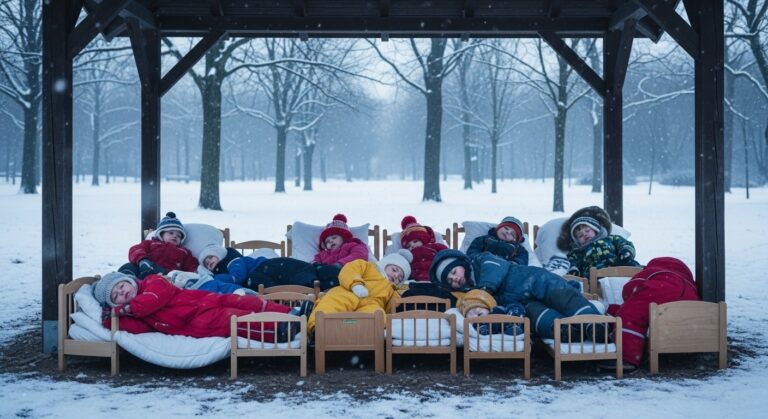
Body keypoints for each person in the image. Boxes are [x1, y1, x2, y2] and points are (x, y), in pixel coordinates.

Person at [431, 249, 604, 342]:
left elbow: (495, 269)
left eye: (454, 271)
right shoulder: (469, 294)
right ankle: (566, 332)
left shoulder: (480, 260)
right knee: (538, 318)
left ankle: (593, 324)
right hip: (521, 302)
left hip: (531, 279)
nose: (455, 279)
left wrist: (484, 289)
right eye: (450, 280)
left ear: (461, 264)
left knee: (562, 296)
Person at [93, 272, 311, 343]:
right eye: (116, 296)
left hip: (205, 299)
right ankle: (279, 330)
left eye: (120, 286)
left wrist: (126, 309)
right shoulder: (136, 313)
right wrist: (112, 318)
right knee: (236, 318)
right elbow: (136, 328)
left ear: (128, 281)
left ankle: (291, 313)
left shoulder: (152, 282)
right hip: (195, 321)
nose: (122, 293)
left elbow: (153, 299)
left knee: (246, 301)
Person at [599, 257, 699, 372]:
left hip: (661, 290)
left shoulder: (652, 271)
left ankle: (627, 359)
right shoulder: (686, 278)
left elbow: (630, 287)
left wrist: (629, 298)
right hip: (689, 298)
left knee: (629, 314)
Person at [307, 249, 412, 333]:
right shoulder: (368, 266)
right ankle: (318, 327)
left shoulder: (392, 290)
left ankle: (358, 334)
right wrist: (356, 284)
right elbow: (350, 270)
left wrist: (400, 294)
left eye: (400, 278)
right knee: (336, 301)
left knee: (378, 315)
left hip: (372, 303)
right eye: (394, 270)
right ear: (385, 264)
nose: (396, 275)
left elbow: (392, 307)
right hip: (351, 291)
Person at [194, 244, 340, 292]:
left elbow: (236, 277)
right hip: (267, 273)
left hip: (267, 267)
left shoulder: (232, 261)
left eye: (210, 257)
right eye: (206, 263)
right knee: (300, 278)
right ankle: (328, 282)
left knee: (302, 273)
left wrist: (213, 277)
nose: (209, 262)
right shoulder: (226, 267)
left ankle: (335, 275)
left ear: (219, 254)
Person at [557, 206, 640, 278]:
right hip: (593, 276)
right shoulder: (578, 251)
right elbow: (572, 261)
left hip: (619, 268)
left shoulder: (610, 239)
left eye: (587, 230)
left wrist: (626, 252)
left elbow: (624, 244)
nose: (584, 235)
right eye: (580, 236)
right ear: (577, 241)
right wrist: (573, 270)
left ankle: (643, 276)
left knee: (636, 267)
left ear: (595, 229)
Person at [119, 212, 198, 279]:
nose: (175, 236)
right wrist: (142, 260)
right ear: (161, 234)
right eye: (171, 233)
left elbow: (191, 265)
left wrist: (192, 274)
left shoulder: (184, 252)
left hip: (165, 276)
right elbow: (135, 249)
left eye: (179, 236)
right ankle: (123, 282)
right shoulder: (151, 243)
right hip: (145, 268)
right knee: (128, 266)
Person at [398, 215, 448, 281]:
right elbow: (402, 264)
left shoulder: (432, 246)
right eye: (408, 246)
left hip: (435, 274)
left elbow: (445, 252)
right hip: (416, 278)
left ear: (423, 239)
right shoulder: (409, 254)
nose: (412, 246)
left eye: (415, 241)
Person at [458, 289, 525, 336]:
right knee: (479, 325)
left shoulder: (497, 309)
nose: (477, 318)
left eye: (479, 314)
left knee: (514, 308)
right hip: (490, 328)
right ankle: (485, 330)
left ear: (488, 308)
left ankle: (514, 326)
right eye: (472, 319)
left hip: (508, 322)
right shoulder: (478, 323)